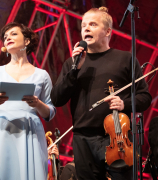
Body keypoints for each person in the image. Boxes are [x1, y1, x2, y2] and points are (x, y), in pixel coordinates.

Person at [50, 6, 152, 180]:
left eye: (93, 24)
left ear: (107, 31)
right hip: (83, 138)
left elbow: (144, 97)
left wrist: (124, 103)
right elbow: (57, 98)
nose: (86, 29)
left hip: (117, 138)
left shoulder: (125, 59)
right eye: (83, 26)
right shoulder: (72, 63)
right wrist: (75, 70)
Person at [0, 22, 56, 180]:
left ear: (26, 41)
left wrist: (37, 104)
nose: (8, 38)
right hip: (0, 130)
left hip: (29, 131)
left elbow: (51, 111)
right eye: (5, 37)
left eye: (13, 34)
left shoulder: (42, 75)